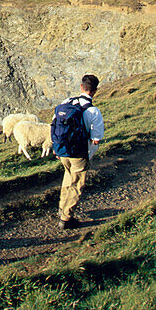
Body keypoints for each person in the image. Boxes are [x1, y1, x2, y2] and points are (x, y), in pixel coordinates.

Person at [53, 74, 105, 230]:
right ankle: (66, 219)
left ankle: (61, 207)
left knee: (67, 178)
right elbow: (96, 139)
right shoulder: (93, 111)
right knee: (77, 184)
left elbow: (54, 124)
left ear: (81, 87)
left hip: (63, 151)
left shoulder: (66, 103)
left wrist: (57, 147)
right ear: (95, 90)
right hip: (79, 154)